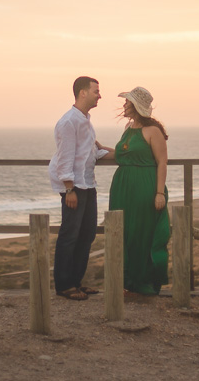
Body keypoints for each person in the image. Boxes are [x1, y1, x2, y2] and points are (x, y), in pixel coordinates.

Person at [48, 76, 112, 300]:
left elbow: (91, 152)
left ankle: (76, 281)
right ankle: (64, 285)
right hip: (74, 186)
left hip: (87, 183)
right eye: (96, 91)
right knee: (70, 235)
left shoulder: (85, 120)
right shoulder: (68, 122)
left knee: (87, 235)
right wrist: (69, 190)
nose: (100, 95)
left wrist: (124, 152)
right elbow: (65, 158)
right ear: (82, 93)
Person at [107, 86, 170, 295]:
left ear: (136, 106)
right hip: (123, 188)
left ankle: (144, 283)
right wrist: (97, 148)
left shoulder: (153, 131)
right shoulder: (128, 128)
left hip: (145, 186)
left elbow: (162, 162)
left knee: (141, 233)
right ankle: (127, 282)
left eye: (127, 101)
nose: (124, 104)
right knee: (124, 232)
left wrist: (159, 193)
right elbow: (122, 155)